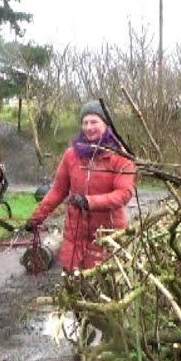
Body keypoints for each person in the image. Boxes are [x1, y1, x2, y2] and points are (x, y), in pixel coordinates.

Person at [25, 100, 137, 273]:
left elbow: (124, 194)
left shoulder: (120, 157)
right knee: (73, 286)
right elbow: (57, 191)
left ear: (107, 125)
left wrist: (88, 201)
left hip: (108, 237)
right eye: (85, 122)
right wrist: (36, 218)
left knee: (103, 289)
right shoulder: (71, 155)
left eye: (94, 122)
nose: (89, 127)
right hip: (75, 238)